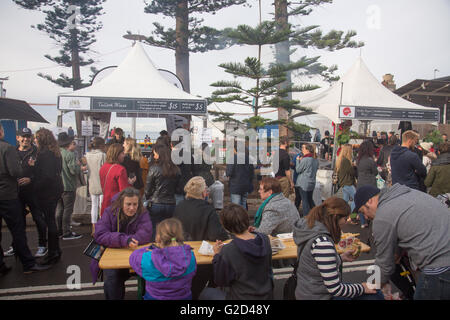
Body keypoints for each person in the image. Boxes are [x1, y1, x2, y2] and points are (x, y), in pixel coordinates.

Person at [354, 184, 450, 300]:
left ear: (369, 201)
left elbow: (384, 263)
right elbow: (405, 227)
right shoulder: (408, 194)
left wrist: (371, 285)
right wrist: (396, 253)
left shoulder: (383, 216)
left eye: (362, 211)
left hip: (440, 265)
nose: (366, 217)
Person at [292, 197, 383, 300]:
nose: (346, 222)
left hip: (308, 291)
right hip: (320, 296)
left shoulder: (311, 231)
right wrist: (362, 287)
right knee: (375, 294)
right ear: (335, 217)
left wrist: (340, 258)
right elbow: (335, 289)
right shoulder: (322, 243)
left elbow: (317, 265)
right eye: (345, 219)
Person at [0, 124, 51, 275]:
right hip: (9, 195)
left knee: (37, 219)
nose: (25, 139)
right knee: (18, 229)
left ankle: (2, 265)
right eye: (23, 137)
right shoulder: (8, 149)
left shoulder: (36, 151)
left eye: (28, 137)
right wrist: (27, 168)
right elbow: (15, 171)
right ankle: (28, 264)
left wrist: (31, 177)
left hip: (29, 193)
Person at [173, 176, 229, 300]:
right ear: (204, 192)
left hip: (181, 255)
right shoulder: (208, 209)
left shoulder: (179, 206)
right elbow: (217, 235)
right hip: (202, 260)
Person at [92, 187, 152, 300]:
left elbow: (146, 233)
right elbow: (100, 234)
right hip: (114, 257)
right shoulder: (109, 212)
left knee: (150, 273)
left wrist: (126, 240)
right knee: (112, 278)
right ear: (121, 203)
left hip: (135, 255)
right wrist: (125, 240)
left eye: (135, 204)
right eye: (128, 204)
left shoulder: (142, 213)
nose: (132, 208)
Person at [203, 203, 274, 300]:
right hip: (267, 295)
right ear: (246, 219)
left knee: (206, 293)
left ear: (226, 227)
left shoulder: (229, 250)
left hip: (241, 297)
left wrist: (216, 256)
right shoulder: (264, 240)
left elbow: (220, 281)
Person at [129, 218, 196, 300]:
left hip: (155, 297)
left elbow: (133, 257)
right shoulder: (190, 256)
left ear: (158, 238)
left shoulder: (148, 259)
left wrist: (152, 249)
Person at [30, 128, 66, 265]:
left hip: (47, 191)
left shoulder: (45, 154)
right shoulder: (55, 153)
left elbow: (46, 176)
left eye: (36, 138)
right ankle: (54, 251)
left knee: (50, 221)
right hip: (55, 189)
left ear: (41, 139)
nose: (34, 140)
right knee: (51, 220)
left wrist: (34, 181)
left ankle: (53, 252)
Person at [145, 143, 180, 241]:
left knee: (155, 228)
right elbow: (178, 188)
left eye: (155, 154)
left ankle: (155, 247)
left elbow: (147, 189)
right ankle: (168, 245)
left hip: (156, 203)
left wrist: (148, 198)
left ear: (160, 155)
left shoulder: (154, 169)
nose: (154, 156)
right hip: (171, 203)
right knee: (169, 228)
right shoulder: (176, 170)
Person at [55, 132, 85, 240]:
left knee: (59, 209)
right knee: (67, 210)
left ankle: (58, 231)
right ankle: (66, 232)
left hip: (58, 186)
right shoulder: (69, 155)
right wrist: (79, 167)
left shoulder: (56, 153)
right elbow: (73, 171)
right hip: (68, 185)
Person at [99, 143, 133, 217]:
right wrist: (130, 183)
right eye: (122, 153)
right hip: (116, 205)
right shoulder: (120, 169)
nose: (124, 155)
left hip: (105, 203)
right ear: (117, 154)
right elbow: (124, 191)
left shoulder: (103, 167)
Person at [85, 137, 106, 235]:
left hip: (92, 182)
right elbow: (105, 170)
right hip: (102, 183)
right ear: (101, 145)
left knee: (94, 205)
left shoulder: (87, 155)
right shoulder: (102, 155)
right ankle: (101, 227)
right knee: (102, 206)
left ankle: (93, 227)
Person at [226, 142, 254, 209]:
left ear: (236, 149)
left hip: (235, 186)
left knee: (236, 207)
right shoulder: (248, 159)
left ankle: (237, 219)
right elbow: (252, 173)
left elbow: (229, 173)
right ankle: (244, 219)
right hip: (246, 186)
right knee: (243, 205)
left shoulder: (233, 158)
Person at [295, 143, 319, 216]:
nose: (302, 150)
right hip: (311, 182)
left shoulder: (305, 159)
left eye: (303, 148)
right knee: (310, 200)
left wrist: (297, 161)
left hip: (303, 183)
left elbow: (298, 170)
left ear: (308, 150)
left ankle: (307, 217)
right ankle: (317, 214)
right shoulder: (315, 160)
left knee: (305, 201)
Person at [172, 138, 194, 205]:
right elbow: (193, 168)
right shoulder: (188, 154)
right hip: (187, 183)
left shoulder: (172, 156)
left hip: (177, 186)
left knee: (179, 207)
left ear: (171, 145)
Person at [335, 144, 357, 212]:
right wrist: (354, 167)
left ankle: (342, 214)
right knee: (357, 199)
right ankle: (351, 214)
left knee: (345, 201)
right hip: (348, 183)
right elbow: (352, 172)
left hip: (343, 183)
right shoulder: (346, 161)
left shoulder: (340, 159)